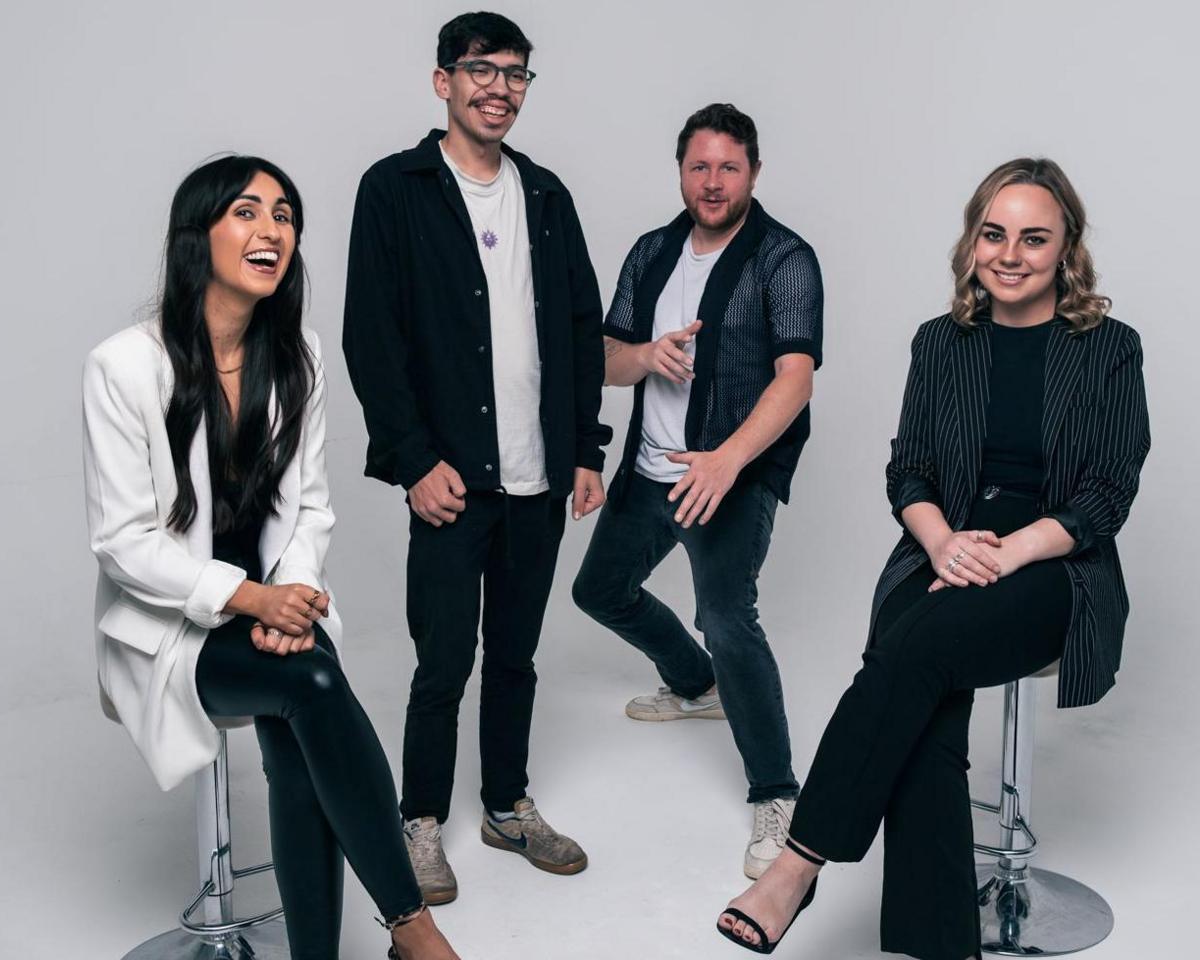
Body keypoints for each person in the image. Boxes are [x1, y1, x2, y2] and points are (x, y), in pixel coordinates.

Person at [716, 157, 1151, 958]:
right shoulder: (941, 342)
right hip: (938, 555)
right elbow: (909, 470)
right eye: (994, 234)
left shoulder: (1111, 349)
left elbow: (1106, 495)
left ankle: (796, 868)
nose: (1010, 254)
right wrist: (945, 542)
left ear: (1067, 250)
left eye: (1033, 238)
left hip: (1056, 568)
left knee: (914, 651)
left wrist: (1010, 551)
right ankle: (937, 944)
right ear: (972, 241)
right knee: (926, 706)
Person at [82, 156, 458, 960]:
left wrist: (288, 595)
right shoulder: (124, 365)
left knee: (302, 710)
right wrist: (249, 600)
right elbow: (123, 544)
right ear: (199, 236)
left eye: (285, 214)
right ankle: (410, 925)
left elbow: (308, 509)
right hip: (172, 626)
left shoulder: (300, 356)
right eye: (248, 212)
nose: (272, 230)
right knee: (314, 684)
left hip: (278, 604)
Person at [342, 12, 610, 905]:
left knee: (518, 655)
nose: (499, 87)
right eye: (481, 70)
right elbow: (370, 337)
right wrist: (414, 461)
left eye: (517, 74)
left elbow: (579, 329)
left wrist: (584, 451)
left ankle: (506, 805)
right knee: (443, 659)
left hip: (538, 478)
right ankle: (420, 822)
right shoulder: (396, 189)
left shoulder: (547, 195)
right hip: (453, 480)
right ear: (442, 81)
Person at [572, 103, 823, 879]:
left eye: (729, 167)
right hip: (650, 470)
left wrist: (726, 462)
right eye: (699, 167)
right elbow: (604, 360)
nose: (713, 183)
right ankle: (693, 683)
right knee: (600, 590)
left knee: (726, 615)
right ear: (680, 170)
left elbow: (796, 378)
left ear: (754, 170)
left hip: (730, 478)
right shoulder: (652, 252)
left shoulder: (785, 259)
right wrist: (645, 355)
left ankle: (778, 794)